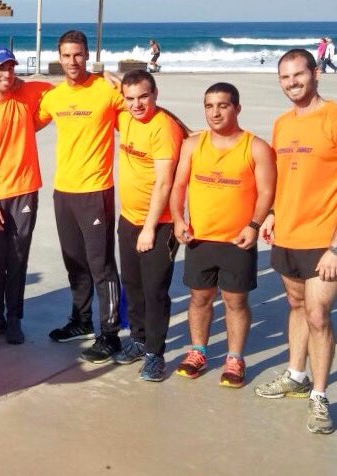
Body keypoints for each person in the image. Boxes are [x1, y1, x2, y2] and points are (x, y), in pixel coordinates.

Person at [170, 82, 276, 388]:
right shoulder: (193, 145)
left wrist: (253, 225)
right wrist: (178, 219)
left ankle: (234, 358)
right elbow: (179, 185)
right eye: (209, 106)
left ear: (237, 108)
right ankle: (198, 352)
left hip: (237, 240)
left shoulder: (256, 147)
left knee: (235, 301)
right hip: (200, 237)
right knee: (199, 298)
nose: (215, 112)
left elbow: (267, 192)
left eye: (223, 105)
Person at [254, 49, 337, 435]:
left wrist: (335, 246)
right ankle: (296, 375)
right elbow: (284, 176)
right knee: (296, 305)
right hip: (287, 234)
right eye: (285, 77)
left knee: (318, 315)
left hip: (324, 239)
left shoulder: (333, 116)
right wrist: (272, 214)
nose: (292, 83)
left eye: (298, 75)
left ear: (315, 73)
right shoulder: (282, 123)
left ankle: (319, 395)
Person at [37, 30, 124, 364]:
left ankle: (110, 334)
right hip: (64, 191)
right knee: (74, 261)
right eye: (66, 55)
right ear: (59, 58)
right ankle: (81, 320)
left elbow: (141, 109)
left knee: (101, 265)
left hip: (95, 191)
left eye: (78, 54)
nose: (72, 61)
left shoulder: (107, 90)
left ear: (87, 56)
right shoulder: (54, 97)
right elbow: (25, 121)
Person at [0, 47, 52, 344]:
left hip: (24, 191)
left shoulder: (26, 95)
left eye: (11, 68)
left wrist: (105, 78)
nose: (7, 73)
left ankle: (14, 318)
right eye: (0, 68)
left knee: (17, 258)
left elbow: (61, 90)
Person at [113, 70, 184, 381]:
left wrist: (149, 228)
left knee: (155, 290)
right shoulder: (125, 117)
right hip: (128, 218)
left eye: (143, 96)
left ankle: (155, 354)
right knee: (132, 285)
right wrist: (111, 78)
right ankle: (139, 340)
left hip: (159, 224)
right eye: (130, 98)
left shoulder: (164, 128)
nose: (137, 104)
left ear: (155, 94)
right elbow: (112, 86)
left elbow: (164, 183)